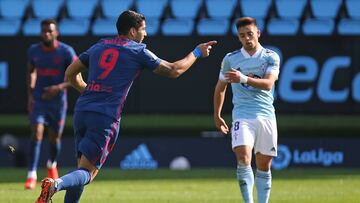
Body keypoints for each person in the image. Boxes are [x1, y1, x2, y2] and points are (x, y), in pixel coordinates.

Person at [35, 10, 216, 203]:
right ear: (132, 31)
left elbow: (70, 73)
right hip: (105, 116)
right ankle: (55, 185)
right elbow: (174, 70)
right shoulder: (137, 51)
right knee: (88, 173)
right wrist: (197, 52)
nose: (145, 34)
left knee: (81, 168)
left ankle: (59, 187)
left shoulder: (99, 45)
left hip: (82, 110)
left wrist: (89, 91)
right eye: (143, 29)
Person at [213, 17, 280, 203]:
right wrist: (217, 115)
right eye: (242, 36)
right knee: (243, 158)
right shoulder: (231, 59)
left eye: (250, 34)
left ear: (258, 33)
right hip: (242, 115)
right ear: (238, 38)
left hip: (266, 116)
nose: (247, 39)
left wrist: (243, 78)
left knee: (264, 166)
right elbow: (220, 88)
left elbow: (267, 84)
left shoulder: (270, 57)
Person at [25, 18, 77, 190]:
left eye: (50, 31)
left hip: (58, 102)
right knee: (36, 133)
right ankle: (31, 174)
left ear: (56, 33)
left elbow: (76, 79)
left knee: (55, 137)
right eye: (43, 31)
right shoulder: (33, 51)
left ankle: (52, 164)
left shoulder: (66, 51)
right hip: (39, 99)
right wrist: (31, 95)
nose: (46, 33)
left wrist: (58, 87)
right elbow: (31, 71)